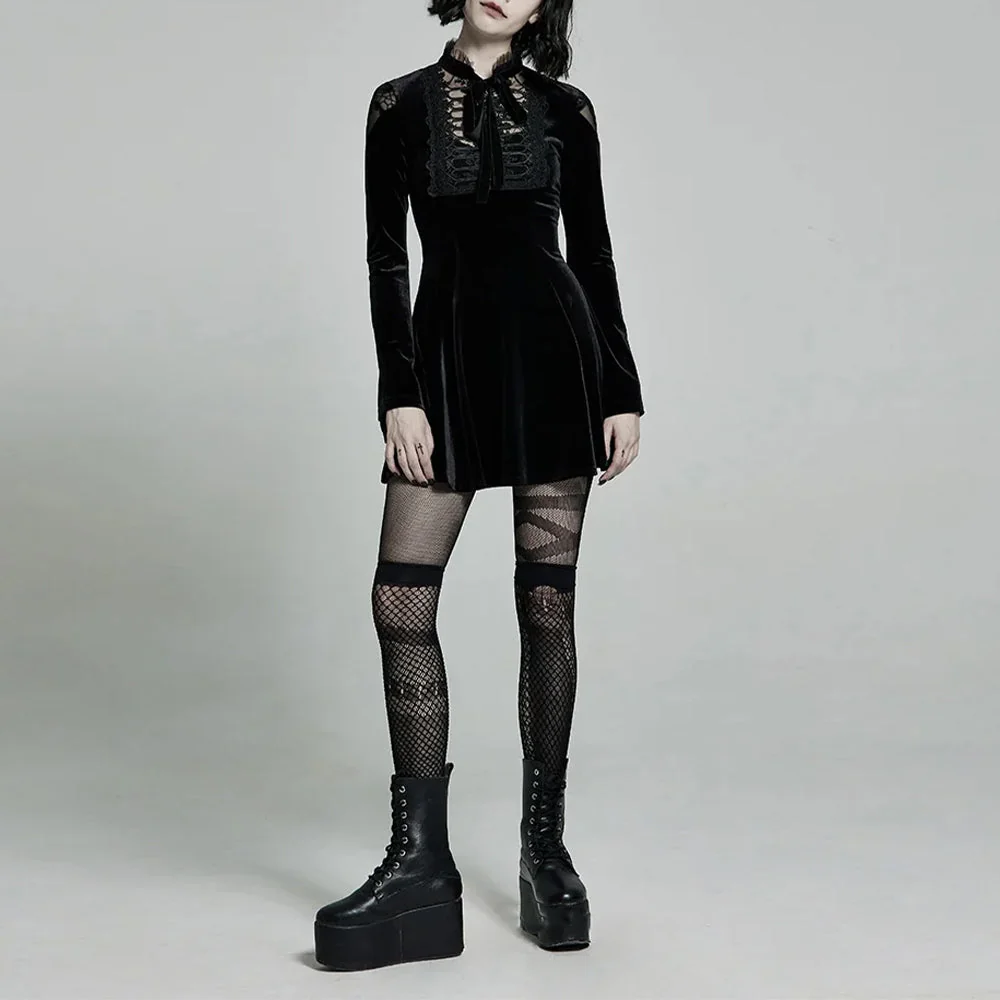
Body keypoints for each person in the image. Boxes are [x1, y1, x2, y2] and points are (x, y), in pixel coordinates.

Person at [314, 0, 644, 971]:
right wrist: (398, 394)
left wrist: (622, 389)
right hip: (447, 365)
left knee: (546, 607)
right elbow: (386, 257)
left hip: (554, 362)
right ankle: (423, 865)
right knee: (401, 600)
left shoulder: (568, 111)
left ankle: (545, 852)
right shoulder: (398, 105)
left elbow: (593, 251)